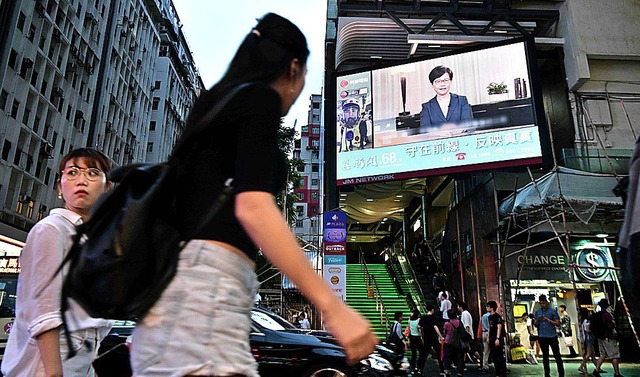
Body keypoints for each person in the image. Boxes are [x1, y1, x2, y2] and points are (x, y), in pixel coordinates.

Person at [130, 14, 378, 377]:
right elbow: (254, 208)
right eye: (304, 76)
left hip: (182, 291)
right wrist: (332, 306)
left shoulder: (215, 104)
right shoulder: (258, 99)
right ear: (293, 67)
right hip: (206, 293)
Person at [1, 148, 113, 377]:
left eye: (92, 173)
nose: (81, 180)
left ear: (107, 188)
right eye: (72, 172)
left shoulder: (94, 241)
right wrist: (54, 373)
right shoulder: (51, 229)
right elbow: (44, 311)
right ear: (60, 187)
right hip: (46, 368)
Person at [534, 294, 564, 377]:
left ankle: (561, 373)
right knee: (545, 356)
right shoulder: (537, 312)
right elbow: (535, 325)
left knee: (557, 355)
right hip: (542, 337)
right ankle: (547, 374)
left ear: (546, 302)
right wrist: (538, 320)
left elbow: (558, 323)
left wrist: (548, 320)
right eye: (541, 303)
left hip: (552, 336)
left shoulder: (552, 311)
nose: (542, 305)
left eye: (543, 303)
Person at [591, 299, 623, 377]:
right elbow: (610, 326)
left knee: (603, 354)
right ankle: (617, 373)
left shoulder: (597, 315)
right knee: (614, 355)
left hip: (600, 337)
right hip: (608, 337)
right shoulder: (607, 315)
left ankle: (596, 370)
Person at [419, 304, 444, 374]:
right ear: (432, 310)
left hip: (427, 338)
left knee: (424, 354)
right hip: (434, 338)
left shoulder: (423, 317)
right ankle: (442, 369)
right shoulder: (434, 317)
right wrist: (441, 336)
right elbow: (435, 327)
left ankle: (420, 369)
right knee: (439, 354)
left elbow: (419, 326)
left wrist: (422, 335)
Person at [443, 309, 465, 377]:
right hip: (458, 342)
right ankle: (459, 372)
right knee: (459, 358)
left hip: (448, 341)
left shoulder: (447, 323)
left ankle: (447, 371)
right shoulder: (459, 322)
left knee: (448, 357)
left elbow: (444, 332)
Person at [487, 301, 507, 377]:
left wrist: (497, 338)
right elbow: (490, 327)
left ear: (492, 308)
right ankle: (497, 372)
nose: (487, 308)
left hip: (497, 338)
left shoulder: (497, 317)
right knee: (494, 356)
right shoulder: (489, 317)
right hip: (492, 338)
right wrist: (488, 337)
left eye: (488, 306)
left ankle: (502, 372)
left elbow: (499, 327)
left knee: (499, 356)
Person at [408, 309, 424, 374]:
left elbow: (409, 329)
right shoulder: (418, 320)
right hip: (417, 337)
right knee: (421, 352)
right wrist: (422, 337)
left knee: (413, 354)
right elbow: (420, 329)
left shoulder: (409, 320)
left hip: (412, 338)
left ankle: (413, 368)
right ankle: (419, 366)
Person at [480, 306, 491, 373]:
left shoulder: (483, 316)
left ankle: (485, 366)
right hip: (489, 333)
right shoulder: (490, 316)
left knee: (485, 351)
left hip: (484, 333)